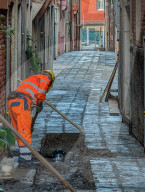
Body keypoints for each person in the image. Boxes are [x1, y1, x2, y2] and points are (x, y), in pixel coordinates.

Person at [8, 70, 55, 166]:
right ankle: (25, 159)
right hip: (22, 101)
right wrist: (40, 102)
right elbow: (40, 93)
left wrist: (35, 105)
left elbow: (30, 92)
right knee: (25, 130)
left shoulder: (33, 78)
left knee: (19, 131)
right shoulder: (45, 79)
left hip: (12, 102)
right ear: (50, 80)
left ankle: (23, 155)